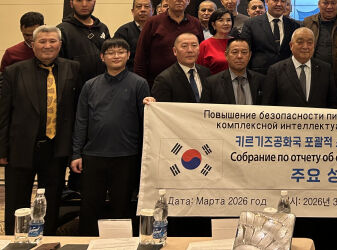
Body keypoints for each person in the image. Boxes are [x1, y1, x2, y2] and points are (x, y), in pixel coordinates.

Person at [0, 26, 81, 235]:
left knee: (51, 202)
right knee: (16, 202)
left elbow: (77, 110)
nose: (47, 46)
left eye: (52, 41)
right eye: (42, 41)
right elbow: (3, 114)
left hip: (56, 148)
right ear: (33, 44)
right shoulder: (14, 72)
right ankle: (15, 239)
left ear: (60, 44)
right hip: (21, 148)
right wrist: (2, 151)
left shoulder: (73, 69)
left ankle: (47, 239)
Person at [70, 38, 149, 235]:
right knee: (90, 205)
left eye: (121, 52)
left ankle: (120, 244)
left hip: (126, 155)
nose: (116, 56)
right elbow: (81, 121)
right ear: (102, 57)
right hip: (93, 155)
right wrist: (76, 154)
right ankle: (86, 242)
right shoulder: (90, 85)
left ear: (128, 55)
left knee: (121, 206)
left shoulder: (139, 84)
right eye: (111, 53)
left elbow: (146, 122)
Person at [134, 0, 203, 87]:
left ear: (188, 0)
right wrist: (142, 87)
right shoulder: (153, 22)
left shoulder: (195, 23)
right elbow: (141, 57)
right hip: (157, 83)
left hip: (189, 82)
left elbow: (201, 54)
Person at [262, 28, 337, 108]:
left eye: (310, 43)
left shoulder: (326, 70)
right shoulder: (275, 71)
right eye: (300, 42)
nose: (305, 47)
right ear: (291, 45)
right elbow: (267, 106)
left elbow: (333, 104)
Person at [238, 0, 301, 75]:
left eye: (283, 1)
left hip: (286, 74)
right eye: (275, 0)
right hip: (259, 75)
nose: (279, 4)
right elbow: (245, 51)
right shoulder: (251, 24)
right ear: (267, 2)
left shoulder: (294, 26)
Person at [303, 0, 337, 103]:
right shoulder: (307, 22)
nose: (329, 7)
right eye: (325, 3)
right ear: (319, 4)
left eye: (333, 3)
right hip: (312, 76)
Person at [58, 0, 110, 82]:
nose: (84, 4)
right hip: (73, 84)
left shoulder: (102, 28)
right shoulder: (62, 30)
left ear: (94, 3)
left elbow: (108, 55)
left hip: (101, 83)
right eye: (79, 0)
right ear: (71, 4)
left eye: (88, 0)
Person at [150, 33, 211, 102]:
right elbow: (162, 107)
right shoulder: (164, 79)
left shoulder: (206, 73)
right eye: (184, 46)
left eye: (194, 45)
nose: (190, 50)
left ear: (199, 49)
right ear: (175, 51)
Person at [206, 38, 264, 105]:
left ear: (250, 55)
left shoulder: (261, 81)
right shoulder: (212, 83)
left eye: (244, 52)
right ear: (226, 55)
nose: (239, 56)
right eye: (235, 52)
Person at [113, 0, 153, 70]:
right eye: (139, 6)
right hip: (130, 73)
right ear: (132, 11)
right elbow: (117, 57)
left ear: (152, 11)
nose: (143, 10)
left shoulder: (158, 30)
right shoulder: (123, 31)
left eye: (147, 6)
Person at [197, 8, 234, 74]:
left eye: (228, 20)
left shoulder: (236, 42)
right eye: (221, 20)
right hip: (212, 79)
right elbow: (199, 69)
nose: (226, 23)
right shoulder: (205, 44)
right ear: (213, 24)